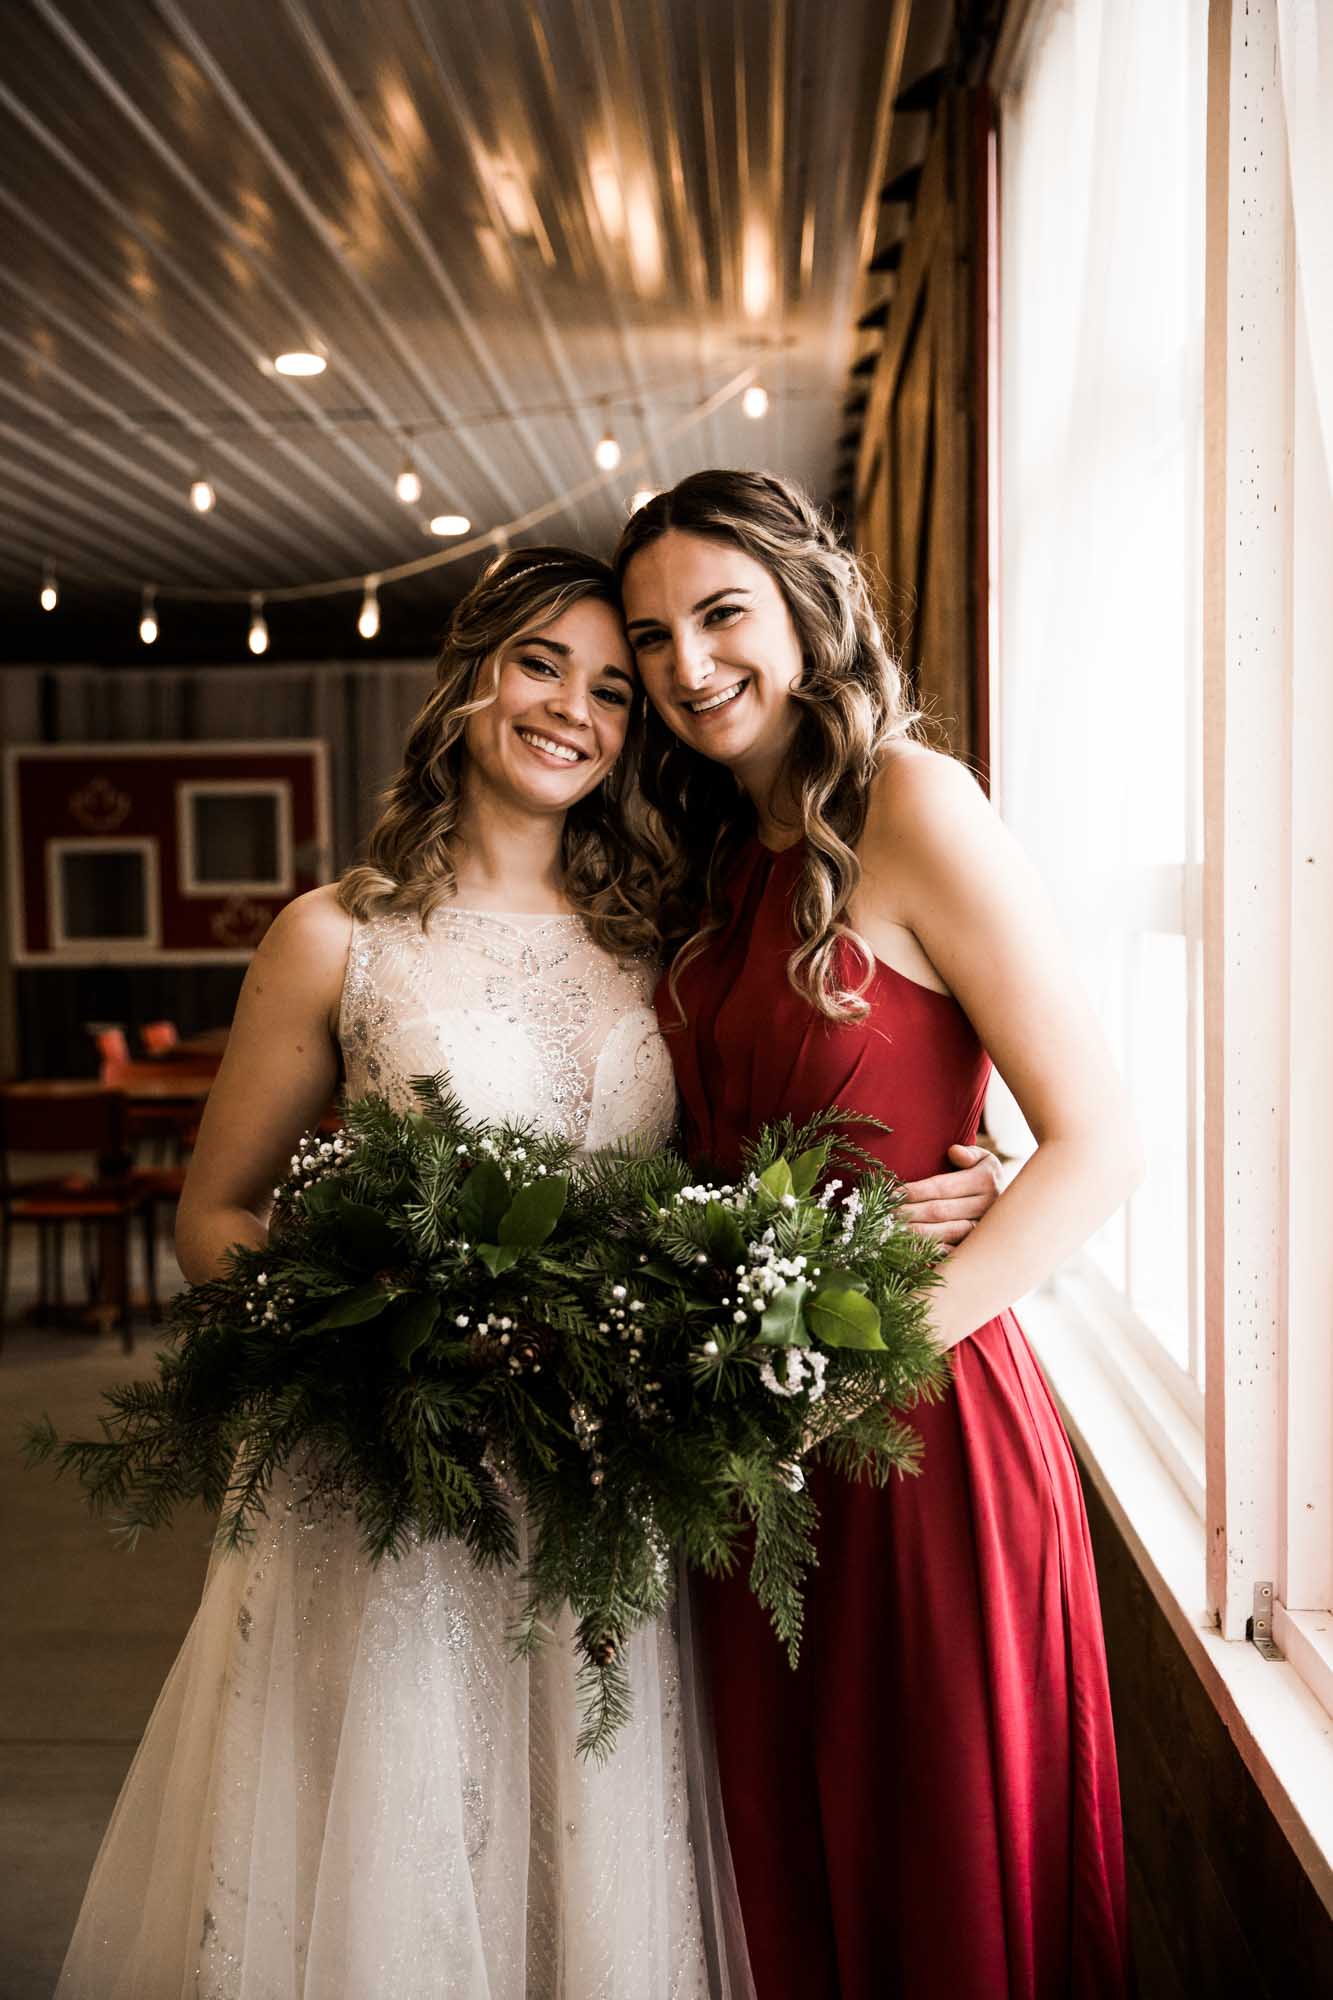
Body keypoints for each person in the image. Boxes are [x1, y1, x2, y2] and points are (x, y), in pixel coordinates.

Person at [54, 549, 709, 2000]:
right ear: (471, 675)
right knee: (386, 1853)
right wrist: (377, 1343)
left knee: (580, 1842)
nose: (574, 711)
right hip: (385, 1481)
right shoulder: (335, 934)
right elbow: (212, 1216)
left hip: (596, 1482)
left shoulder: (660, 940)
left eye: (613, 690)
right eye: (544, 664)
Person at [615, 469, 1140, 2000]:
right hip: (738, 1451)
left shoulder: (911, 802)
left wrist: (871, 1347)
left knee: (934, 1866)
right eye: (651, 639)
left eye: (721, 615)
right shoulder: (701, 854)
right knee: (785, 1863)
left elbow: (1099, 1137)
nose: (688, 665)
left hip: (917, 1425)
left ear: (804, 606)